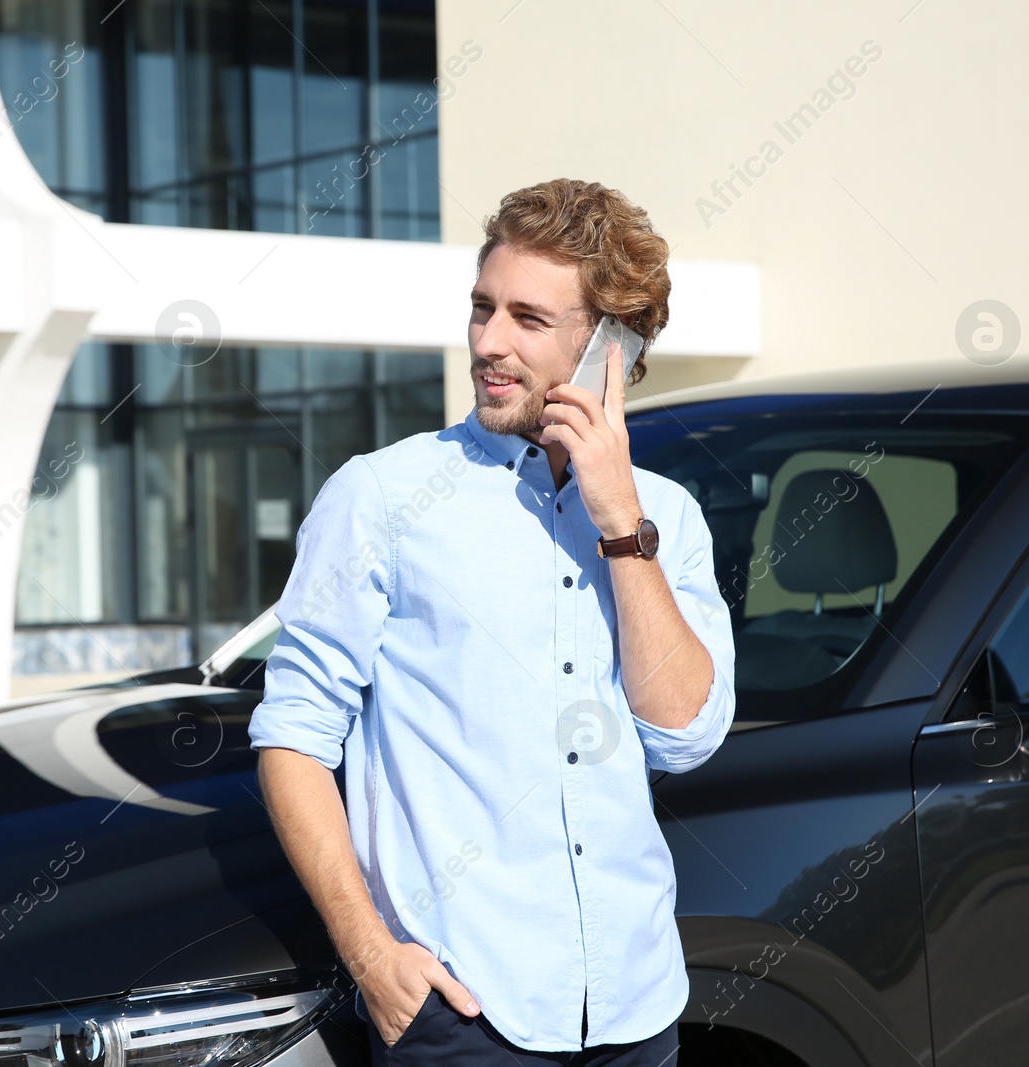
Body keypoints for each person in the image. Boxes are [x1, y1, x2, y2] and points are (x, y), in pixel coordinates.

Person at [248, 178, 736, 1066]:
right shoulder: (380, 497)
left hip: (636, 1008)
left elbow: (684, 733)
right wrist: (373, 960)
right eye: (482, 309)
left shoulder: (664, 516)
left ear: (609, 348)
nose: (488, 343)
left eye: (527, 318)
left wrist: (620, 523)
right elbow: (292, 738)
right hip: (463, 1018)